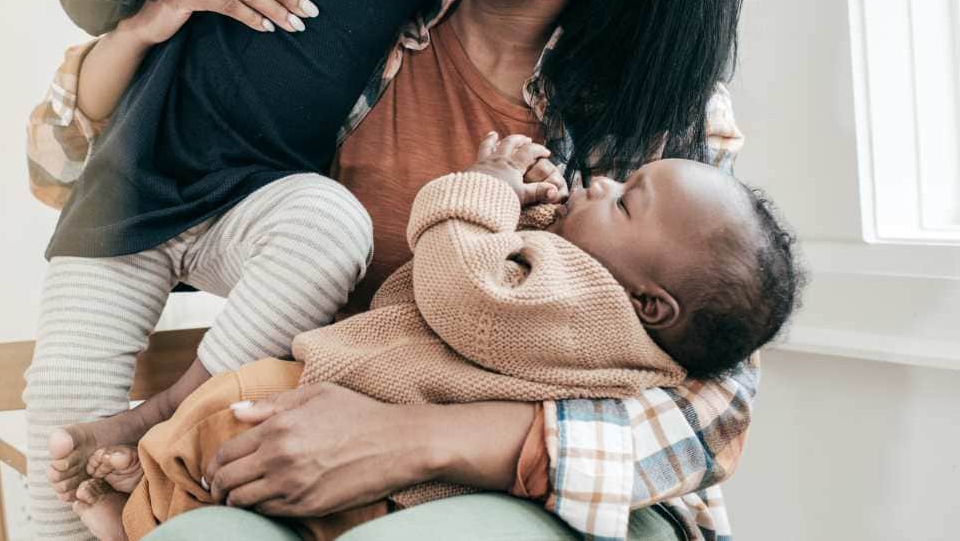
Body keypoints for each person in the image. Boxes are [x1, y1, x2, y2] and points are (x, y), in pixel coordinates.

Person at [35, 0, 756, 541]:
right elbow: (58, 161)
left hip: (546, 499)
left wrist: (410, 443)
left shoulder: (657, 121)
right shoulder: (357, 3)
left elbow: (716, 406)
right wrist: (148, 21)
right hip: (312, 464)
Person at [24, 0, 536, 539]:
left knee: (330, 223)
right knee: (59, 442)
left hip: (252, 211)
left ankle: (175, 411)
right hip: (127, 198)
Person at [65, 132, 802, 541]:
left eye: (627, 199)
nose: (603, 183)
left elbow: (470, 297)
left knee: (233, 416)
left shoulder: (591, 302)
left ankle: (141, 504)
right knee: (236, 465)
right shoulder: (614, 322)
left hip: (412, 452)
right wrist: (541, 218)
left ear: (652, 304)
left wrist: (481, 190)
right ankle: (149, 500)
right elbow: (526, 321)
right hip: (393, 459)